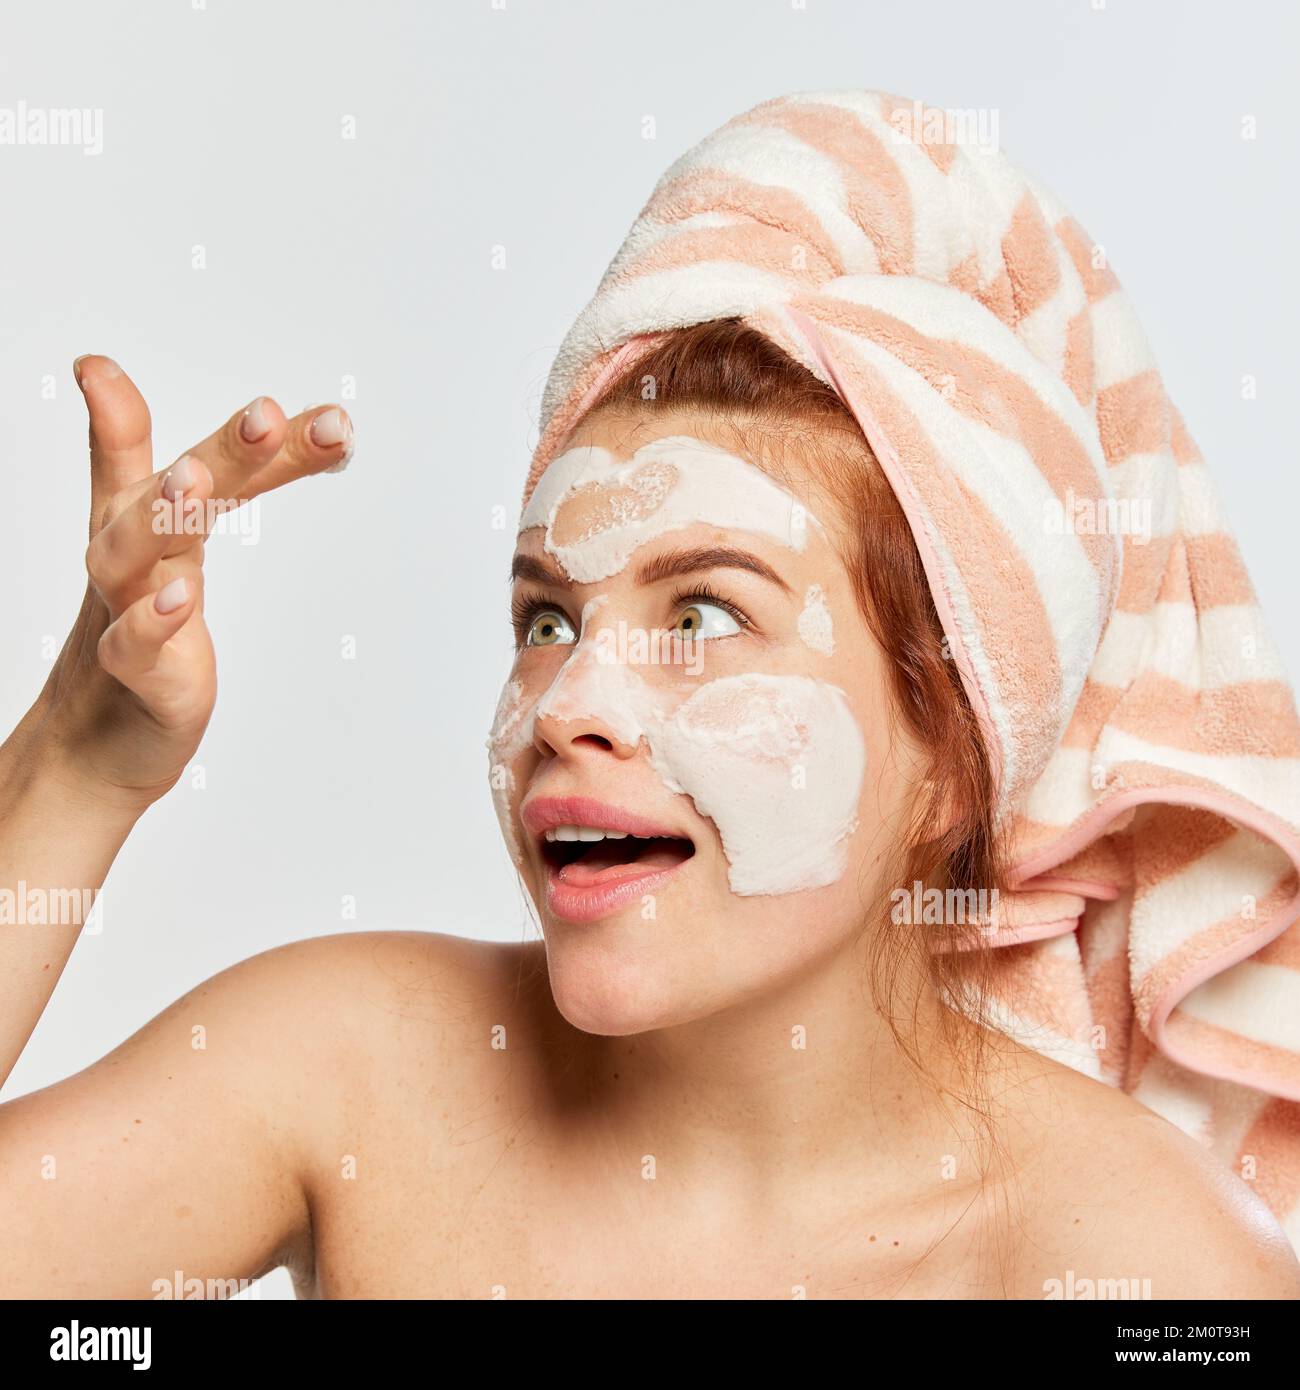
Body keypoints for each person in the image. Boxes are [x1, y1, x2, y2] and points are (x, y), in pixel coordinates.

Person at [3, 91, 1299, 1300]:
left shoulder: (1143, 1264)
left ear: (952, 759)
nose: (570, 700)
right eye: (547, 616)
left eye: (700, 615)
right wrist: (76, 762)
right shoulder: (348, 1067)